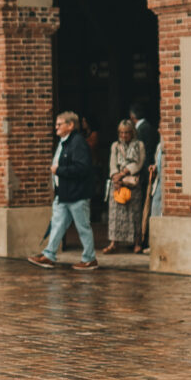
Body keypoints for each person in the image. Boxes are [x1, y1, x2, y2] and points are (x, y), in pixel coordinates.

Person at [29, 111, 98, 271]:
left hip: (77, 193)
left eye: (60, 124)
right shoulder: (63, 142)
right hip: (63, 193)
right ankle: (49, 255)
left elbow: (82, 168)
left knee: (83, 226)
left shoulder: (78, 142)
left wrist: (59, 170)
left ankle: (89, 258)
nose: (56, 127)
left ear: (71, 125)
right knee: (57, 224)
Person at [103, 118, 146, 255]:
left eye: (127, 133)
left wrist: (124, 173)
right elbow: (112, 163)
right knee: (116, 215)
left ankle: (137, 242)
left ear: (132, 132)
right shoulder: (115, 146)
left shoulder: (139, 145)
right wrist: (115, 177)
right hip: (118, 183)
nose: (124, 136)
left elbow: (139, 163)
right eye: (121, 133)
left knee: (134, 214)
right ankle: (114, 242)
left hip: (131, 182)